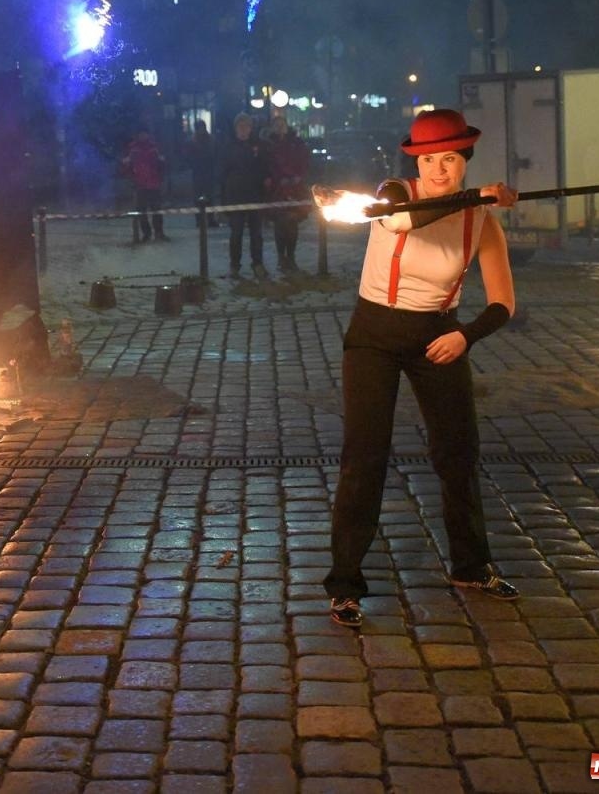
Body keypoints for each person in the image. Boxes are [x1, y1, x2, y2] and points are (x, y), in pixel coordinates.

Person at [324, 108, 521, 630]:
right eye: (430, 159)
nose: (439, 170)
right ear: (417, 163)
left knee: (458, 453)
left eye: (450, 159)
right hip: (374, 337)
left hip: (439, 334)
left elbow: (503, 303)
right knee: (365, 456)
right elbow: (406, 222)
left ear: (464, 162)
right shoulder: (395, 194)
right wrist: (477, 195)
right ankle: (345, 585)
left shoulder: (481, 220)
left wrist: (465, 336)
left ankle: (471, 566)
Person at [218, 112, 268, 279]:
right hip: (235, 196)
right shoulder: (228, 147)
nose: (243, 129)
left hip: (254, 195)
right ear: (236, 128)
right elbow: (222, 174)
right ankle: (235, 265)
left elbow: (264, 168)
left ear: (250, 128)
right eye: (240, 126)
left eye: (246, 126)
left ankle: (257, 263)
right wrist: (224, 199)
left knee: (256, 234)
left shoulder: (258, 146)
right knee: (236, 234)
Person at [262, 116, 312, 273]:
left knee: (292, 223)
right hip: (278, 189)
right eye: (276, 125)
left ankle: (290, 257)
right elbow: (267, 165)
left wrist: (298, 177)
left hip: (295, 189)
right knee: (280, 223)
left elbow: (304, 161)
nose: (280, 127)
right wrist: (278, 179)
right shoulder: (268, 145)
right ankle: (281, 257)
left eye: (282, 124)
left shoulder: (296, 143)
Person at [120, 129, 168, 243]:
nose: (143, 136)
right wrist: (132, 178)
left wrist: (160, 176)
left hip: (153, 183)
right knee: (142, 211)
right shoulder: (133, 150)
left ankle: (159, 232)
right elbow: (126, 166)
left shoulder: (154, 148)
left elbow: (162, 164)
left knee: (156, 210)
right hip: (140, 184)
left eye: (145, 134)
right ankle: (146, 233)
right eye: (141, 134)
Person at [189, 120, 218, 227]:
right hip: (198, 172)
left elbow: (215, 154)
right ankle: (200, 220)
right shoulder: (193, 142)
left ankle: (210, 219)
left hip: (208, 171)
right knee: (198, 198)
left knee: (210, 197)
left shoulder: (210, 140)